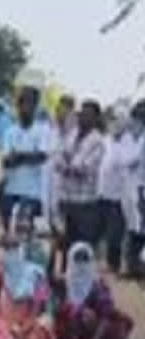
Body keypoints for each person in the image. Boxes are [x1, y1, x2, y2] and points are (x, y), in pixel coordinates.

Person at [54, 242, 132, 339]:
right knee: (74, 322)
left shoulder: (98, 284)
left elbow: (107, 307)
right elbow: (56, 307)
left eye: (85, 259)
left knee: (113, 325)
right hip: (70, 328)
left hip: (94, 325)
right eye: (78, 259)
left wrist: (94, 313)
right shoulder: (63, 283)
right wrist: (78, 310)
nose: (81, 263)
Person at [57, 100, 105, 249]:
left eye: (88, 115)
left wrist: (68, 166)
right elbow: (58, 159)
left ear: (96, 118)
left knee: (84, 247)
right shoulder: (71, 135)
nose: (84, 118)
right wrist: (69, 166)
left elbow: (85, 169)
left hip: (86, 203)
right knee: (65, 244)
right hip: (66, 199)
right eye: (82, 114)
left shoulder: (98, 141)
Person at [98, 107, 139, 274]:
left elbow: (128, 161)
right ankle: (108, 261)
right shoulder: (106, 140)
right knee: (106, 230)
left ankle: (116, 264)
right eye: (112, 120)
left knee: (116, 231)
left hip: (120, 194)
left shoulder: (129, 142)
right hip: (103, 192)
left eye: (117, 120)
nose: (114, 124)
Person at [0, 87, 49, 223]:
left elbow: (41, 157)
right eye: (21, 103)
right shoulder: (10, 132)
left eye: (29, 103)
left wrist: (19, 155)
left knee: (29, 235)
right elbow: (6, 161)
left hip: (33, 194)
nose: (25, 107)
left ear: (35, 106)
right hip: (11, 191)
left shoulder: (43, 130)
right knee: (9, 233)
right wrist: (26, 156)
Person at [123, 100, 145, 278]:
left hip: (141, 188)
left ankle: (135, 267)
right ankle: (133, 267)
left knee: (138, 228)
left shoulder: (141, 140)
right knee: (135, 227)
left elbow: (130, 161)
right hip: (137, 188)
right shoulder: (137, 139)